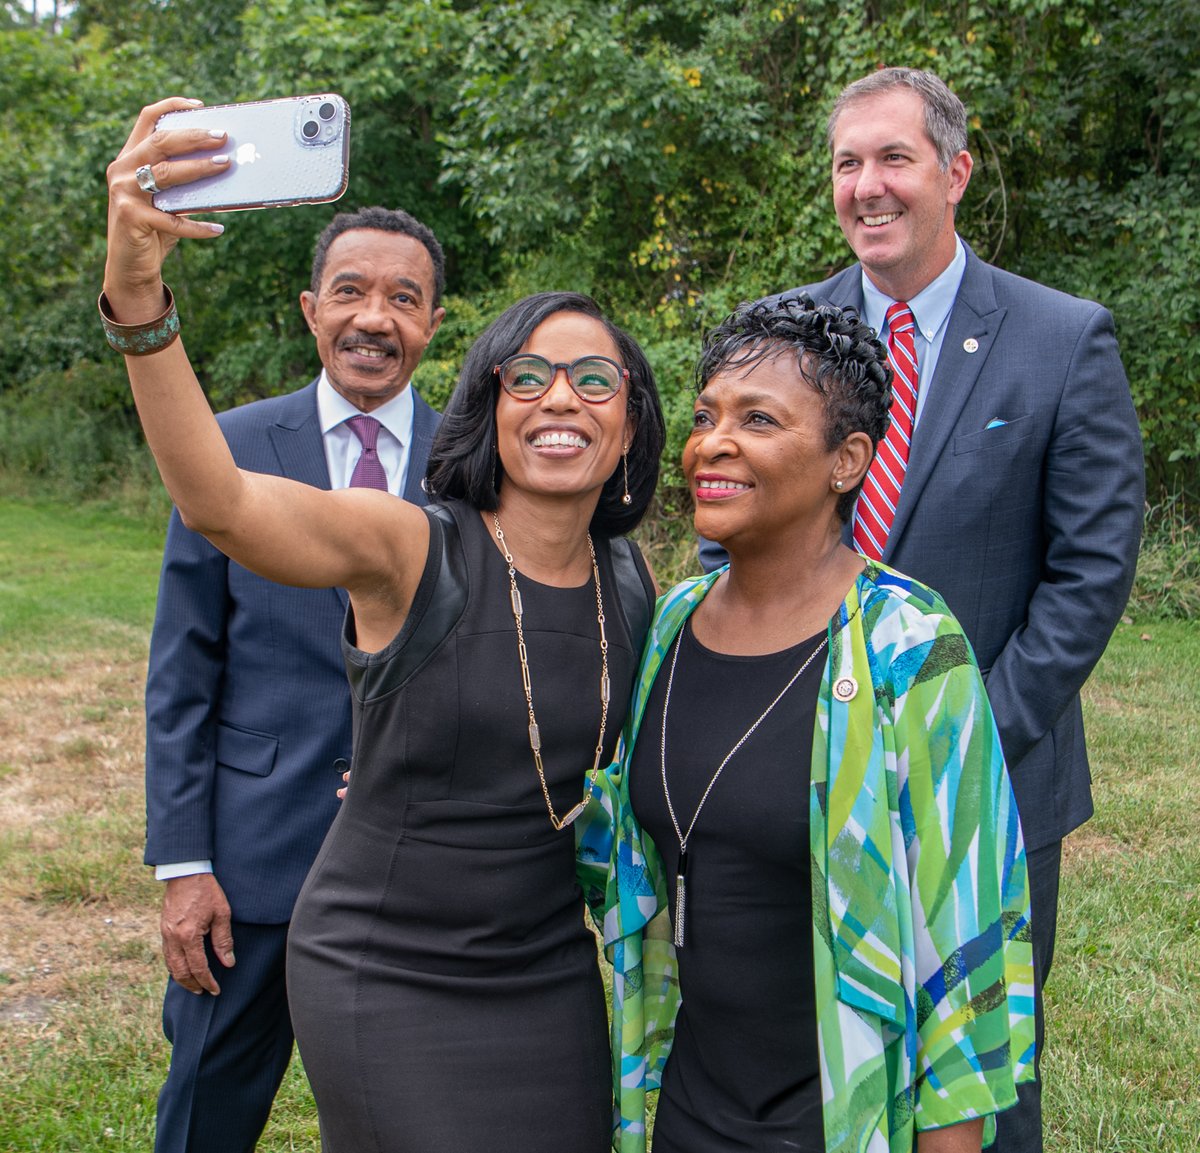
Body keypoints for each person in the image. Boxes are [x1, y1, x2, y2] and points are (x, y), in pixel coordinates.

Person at [105, 98, 665, 1152]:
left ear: (630, 417)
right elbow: (221, 504)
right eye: (529, 375)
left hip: (545, 965)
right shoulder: (411, 540)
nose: (561, 398)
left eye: (596, 379)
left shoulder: (633, 585)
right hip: (386, 958)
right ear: (489, 404)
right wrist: (138, 293)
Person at [698, 67, 1145, 1151]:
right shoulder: (779, 332)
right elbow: (735, 537)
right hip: (796, 775)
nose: (868, 186)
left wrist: (962, 743)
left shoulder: (1061, 337)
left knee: (977, 1089)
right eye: (848, 163)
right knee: (809, 1057)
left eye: (893, 157)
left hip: (990, 784)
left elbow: (1091, 571)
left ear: (954, 170)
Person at [579, 294, 1035, 1153]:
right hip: (681, 1102)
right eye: (707, 414)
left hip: (836, 1116)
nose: (714, 441)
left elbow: (963, 950)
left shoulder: (910, 644)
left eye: (758, 418)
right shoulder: (672, 620)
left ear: (847, 460)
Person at [142, 199, 445, 1152]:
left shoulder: (477, 463)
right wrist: (186, 862)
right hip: (254, 859)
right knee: (207, 1114)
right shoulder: (224, 447)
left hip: (419, 865)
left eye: (404, 298)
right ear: (310, 308)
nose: (374, 318)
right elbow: (182, 671)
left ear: (432, 323)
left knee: (414, 1119)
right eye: (350, 291)